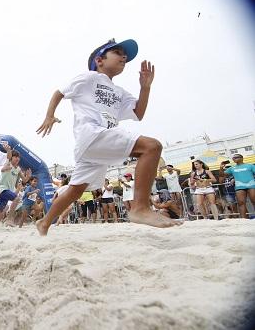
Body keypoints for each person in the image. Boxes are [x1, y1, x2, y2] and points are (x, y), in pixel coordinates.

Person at [36, 38, 182, 236]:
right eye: (118, 52)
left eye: (125, 55)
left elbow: (138, 113)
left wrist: (145, 87)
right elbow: (60, 92)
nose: (124, 56)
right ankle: (140, 208)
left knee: (76, 191)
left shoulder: (120, 92)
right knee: (152, 146)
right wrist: (49, 115)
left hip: (96, 144)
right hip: (92, 134)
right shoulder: (89, 78)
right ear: (99, 60)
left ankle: (44, 223)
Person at [0, 150, 31, 228]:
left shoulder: (18, 169)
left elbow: (24, 180)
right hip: (2, 189)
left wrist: (28, 176)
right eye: (15, 156)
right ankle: (9, 219)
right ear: (11, 158)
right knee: (17, 198)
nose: (17, 158)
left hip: (9, 190)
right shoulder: (8, 164)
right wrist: (5, 167)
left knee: (0, 209)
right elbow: (2, 169)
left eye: (18, 157)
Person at [219, 154, 255, 219]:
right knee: (241, 203)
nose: (234, 159)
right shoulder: (232, 168)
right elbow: (222, 175)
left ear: (241, 158)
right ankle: (244, 219)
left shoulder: (250, 166)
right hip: (239, 186)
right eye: (233, 158)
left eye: (236, 157)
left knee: (254, 201)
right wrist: (221, 168)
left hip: (251, 185)